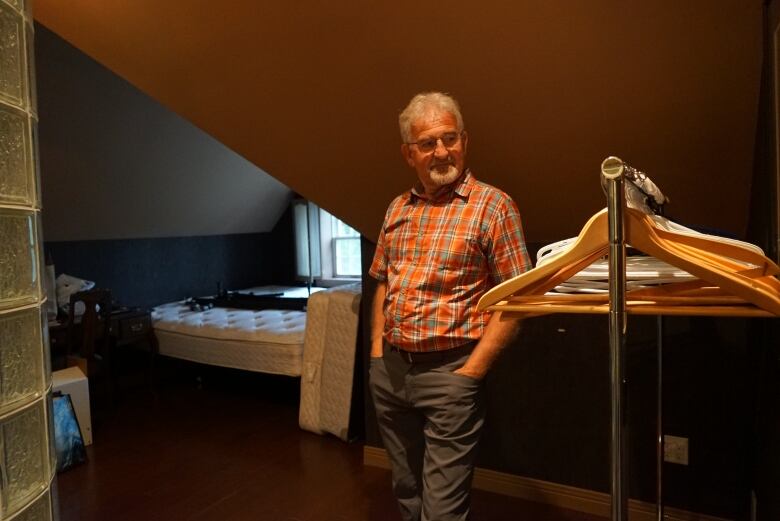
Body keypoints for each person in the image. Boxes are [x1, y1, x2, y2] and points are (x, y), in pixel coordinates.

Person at [368, 92, 532, 521]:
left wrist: (470, 374)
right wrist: (374, 356)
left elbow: (518, 298)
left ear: (465, 141)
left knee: (441, 510)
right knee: (406, 490)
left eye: (450, 138)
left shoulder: (493, 207)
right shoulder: (396, 209)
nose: (441, 151)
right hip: (391, 372)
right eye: (428, 143)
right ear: (409, 154)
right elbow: (383, 282)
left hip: (450, 374)